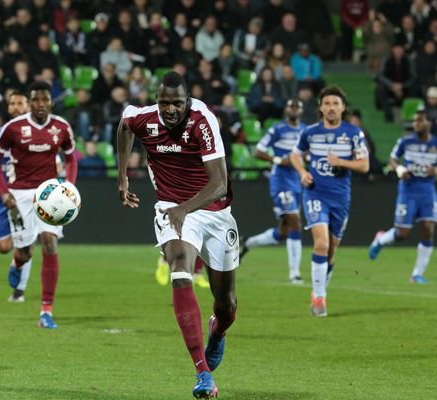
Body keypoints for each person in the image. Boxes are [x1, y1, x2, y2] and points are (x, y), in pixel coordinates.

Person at [117, 71, 239, 398]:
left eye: (177, 103)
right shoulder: (144, 118)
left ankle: (218, 330)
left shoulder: (203, 121)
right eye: (164, 102)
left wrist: (186, 208)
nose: (170, 109)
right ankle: (202, 373)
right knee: (180, 271)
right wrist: (123, 177)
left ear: (187, 100)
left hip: (214, 211)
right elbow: (125, 124)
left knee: (226, 303)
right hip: (170, 207)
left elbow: (220, 184)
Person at [0, 81, 77, 328]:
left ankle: (46, 311)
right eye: (36, 100)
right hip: (19, 196)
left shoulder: (61, 127)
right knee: (25, 251)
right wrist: (4, 192)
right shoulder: (13, 128)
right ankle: (18, 262)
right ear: (30, 102)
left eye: (45, 100)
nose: (41, 104)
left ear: (51, 101)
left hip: (49, 193)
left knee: (49, 241)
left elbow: (71, 159)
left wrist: (68, 186)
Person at [289, 86, 369, 317]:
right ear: (321, 108)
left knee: (331, 251)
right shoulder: (310, 133)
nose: (331, 107)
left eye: (336, 103)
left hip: (340, 197)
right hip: (315, 194)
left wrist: (342, 162)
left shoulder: (354, 133)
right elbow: (295, 154)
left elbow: (364, 165)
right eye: (327, 103)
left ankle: (320, 288)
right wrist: (302, 173)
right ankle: (319, 297)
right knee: (321, 243)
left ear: (343, 108)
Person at [240, 99, 306, 284]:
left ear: (301, 111)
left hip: (297, 180)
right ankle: (295, 273)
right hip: (281, 180)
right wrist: (277, 160)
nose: (293, 110)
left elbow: (308, 152)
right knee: (295, 221)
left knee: (283, 231)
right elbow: (258, 151)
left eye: (297, 107)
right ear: (286, 110)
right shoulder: (277, 129)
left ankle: (248, 243)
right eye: (290, 106)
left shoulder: (306, 130)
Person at [368, 110, 436, 284]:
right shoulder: (406, 141)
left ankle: (416, 274)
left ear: (429, 123)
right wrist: (400, 170)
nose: (416, 124)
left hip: (427, 190)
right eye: (414, 121)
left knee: (428, 229)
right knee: (403, 233)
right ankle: (380, 240)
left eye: (420, 121)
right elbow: (392, 160)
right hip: (408, 190)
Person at [0, 92, 30, 297]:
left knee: (27, 240)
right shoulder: (0, 133)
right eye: (12, 103)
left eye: (19, 103)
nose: (15, 107)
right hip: (4, 194)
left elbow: (54, 161)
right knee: (2, 246)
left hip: (27, 191)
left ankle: (18, 290)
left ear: (28, 106)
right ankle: (19, 247)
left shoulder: (38, 132)